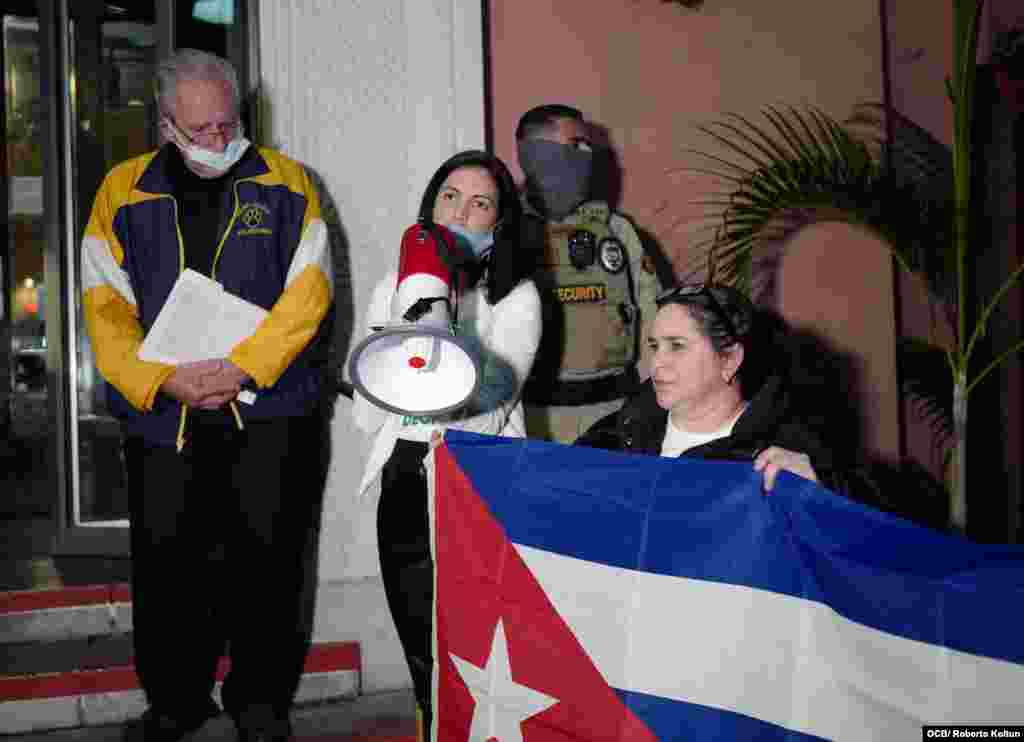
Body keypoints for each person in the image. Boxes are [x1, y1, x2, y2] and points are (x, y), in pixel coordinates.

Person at [80, 49, 334, 742]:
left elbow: (308, 294)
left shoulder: (289, 184)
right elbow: (104, 304)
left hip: (271, 413)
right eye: (201, 130)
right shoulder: (120, 192)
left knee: (270, 559)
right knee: (168, 566)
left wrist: (245, 367)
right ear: (165, 124)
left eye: (230, 124)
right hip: (167, 418)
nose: (221, 141)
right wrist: (160, 378)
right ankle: (175, 701)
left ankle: (260, 701)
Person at [350, 150, 541, 738]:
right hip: (407, 472)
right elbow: (369, 410)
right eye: (450, 198)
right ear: (430, 210)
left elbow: (489, 403)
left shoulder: (516, 299)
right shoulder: (394, 286)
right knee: (419, 642)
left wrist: (451, 321)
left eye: (480, 203)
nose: (462, 211)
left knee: (474, 646)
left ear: (498, 224)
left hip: (475, 478)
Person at [577, 284, 853, 493]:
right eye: (654, 346)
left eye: (677, 346)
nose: (657, 362)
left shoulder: (788, 452)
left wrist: (824, 490)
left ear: (730, 359)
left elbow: (871, 536)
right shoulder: (615, 434)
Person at [514, 103, 667, 443]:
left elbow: (654, 322)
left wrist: (654, 405)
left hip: (615, 415)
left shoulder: (617, 232)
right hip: (536, 423)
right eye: (576, 146)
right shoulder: (506, 235)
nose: (589, 156)